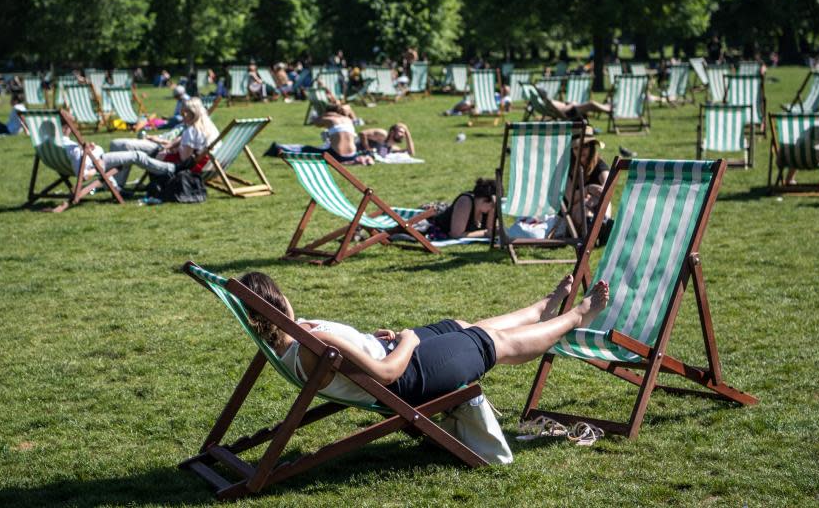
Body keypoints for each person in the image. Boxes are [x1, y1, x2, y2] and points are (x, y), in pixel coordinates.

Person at [237, 271, 610, 407]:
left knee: (463, 326)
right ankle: (576, 316)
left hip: (390, 353)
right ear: (279, 302)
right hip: (406, 377)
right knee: (490, 341)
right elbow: (384, 375)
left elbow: (355, 364)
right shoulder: (312, 343)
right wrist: (408, 342)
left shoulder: (287, 345)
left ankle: (539, 310)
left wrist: (374, 339)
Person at [102, 97, 220, 188]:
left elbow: (185, 159)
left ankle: (103, 167)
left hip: (184, 169)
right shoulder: (208, 127)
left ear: (193, 114)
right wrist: (174, 145)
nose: (182, 116)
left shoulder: (191, 131)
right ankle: (111, 180)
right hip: (209, 166)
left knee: (137, 156)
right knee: (133, 152)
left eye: (185, 113)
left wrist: (171, 150)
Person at [565, 129, 613, 244]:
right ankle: (598, 228)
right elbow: (570, 198)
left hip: (594, 207)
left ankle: (601, 224)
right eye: (576, 147)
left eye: (585, 146)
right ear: (572, 150)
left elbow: (608, 190)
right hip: (572, 212)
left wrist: (594, 199)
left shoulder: (599, 165)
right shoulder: (567, 168)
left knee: (605, 201)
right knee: (581, 206)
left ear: (592, 147)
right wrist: (588, 189)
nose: (581, 150)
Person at [429, 178, 497, 239]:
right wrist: (485, 233)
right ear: (484, 200)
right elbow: (456, 234)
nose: (493, 208)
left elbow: (491, 229)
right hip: (436, 225)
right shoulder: (465, 201)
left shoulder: (487, 207)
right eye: (493, 205)